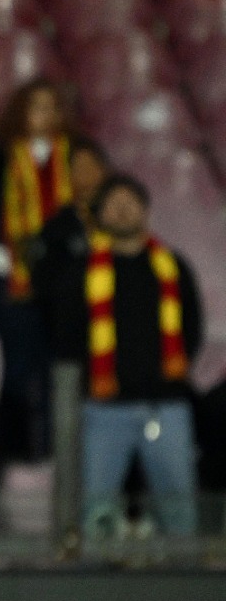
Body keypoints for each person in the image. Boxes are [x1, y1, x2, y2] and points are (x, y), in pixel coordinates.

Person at [46, 175, 204, 538]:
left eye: (130, 200)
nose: (122, 208)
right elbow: (66, 335)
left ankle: (183, 589)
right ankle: (93, 591)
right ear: (100, 216)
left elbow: (192, 329)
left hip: (167, 408)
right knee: (96, 513)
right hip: (104, 410)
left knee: (179, 512)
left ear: (145, 210)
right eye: (112, 203)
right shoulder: (81, 270)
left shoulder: (173, 266)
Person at [0, 79, 78, 460]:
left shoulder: (75, 156)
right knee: (18, 370)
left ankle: (62, 455)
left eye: (51, 106)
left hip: (65, 285)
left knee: (62, 371)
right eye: (36, 106)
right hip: (13, 283)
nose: (44, 115)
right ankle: (16, 454)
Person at [27, 137, 110, 307]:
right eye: (79, 167)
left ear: (104, 170)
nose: (86, 173)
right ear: (68, 175)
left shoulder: (120, 220)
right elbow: (44, 283)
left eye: (91, 165)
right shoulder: (56, 228)